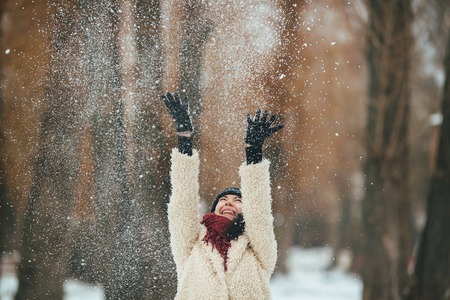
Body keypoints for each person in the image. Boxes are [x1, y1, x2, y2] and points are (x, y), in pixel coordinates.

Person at [161, 92, 283, 300]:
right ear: (214, 208)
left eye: (237, 201)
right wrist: (184, 139)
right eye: (223, 200)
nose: (229, 203)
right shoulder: (191, 244)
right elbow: (182, 203)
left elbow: (259, 211)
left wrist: (253, 153)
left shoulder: (257, 250)